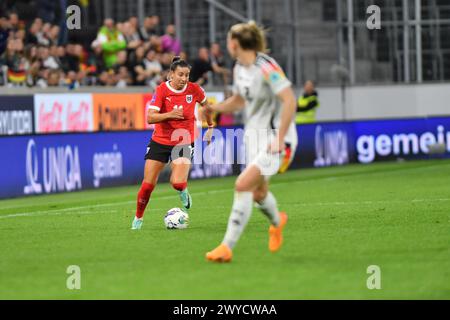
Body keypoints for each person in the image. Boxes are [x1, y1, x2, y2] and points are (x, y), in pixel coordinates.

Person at [204, 21, 298, 262]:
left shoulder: (267, 67)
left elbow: (289, 100)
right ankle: (278, 222)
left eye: (227, 41)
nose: (227, 45)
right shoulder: (239, 68)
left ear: (234, 44)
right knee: (259, 193)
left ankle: (226, 247)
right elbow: (239, 100)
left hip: (277, 139)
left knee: (242, 185)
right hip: (254, 138)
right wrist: (215, 108)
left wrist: (279, 139)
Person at [131, 56, 215, 230]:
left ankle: (183, 190)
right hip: (160, 140)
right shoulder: (162, 90)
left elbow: (207, 106)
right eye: (181, 75)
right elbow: (150, 117)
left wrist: (211, 126)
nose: (184, 79)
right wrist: (169, 115)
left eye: (187, 75)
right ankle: (138, 219)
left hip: (184, 139)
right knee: (147, 185)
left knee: (176, 182)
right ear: (171, 74)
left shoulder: (194, 90)